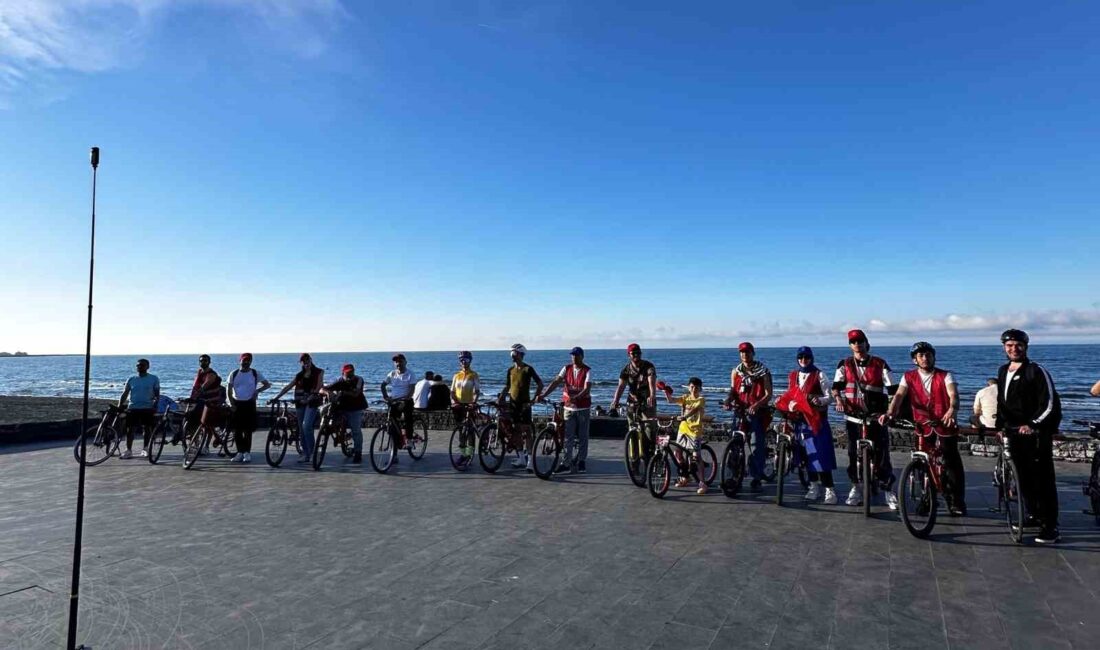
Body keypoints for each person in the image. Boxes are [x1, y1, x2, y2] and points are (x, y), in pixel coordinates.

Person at [882, 342, 966, 516]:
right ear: (915, 360)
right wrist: (890, 413)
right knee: (921, 463)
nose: (925, 358)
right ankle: (927, 498)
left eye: (928, 355)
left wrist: (952, 409)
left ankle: (956, 500)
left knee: (951, 462)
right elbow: (898, 395)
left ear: (933, 357)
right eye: (921, 356)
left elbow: (953, 395)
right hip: (923, 425)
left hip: (944, 424)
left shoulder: (945, 375)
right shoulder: (909, 377)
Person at [996, 329, 1062, 543]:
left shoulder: (1036, 370)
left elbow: (1049, 403)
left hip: (1035, 434)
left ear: (1026, 347)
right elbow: (1002, 401)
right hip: (1014, 433)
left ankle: (1050, 526)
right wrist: (1000, 425)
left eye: (1018, 345)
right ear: (1004, 347)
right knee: (1022, 479)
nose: (1014, 349)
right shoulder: (1003, 370)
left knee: (1042, 480)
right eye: (1009, 345)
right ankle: (1033, 514)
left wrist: (1033, 424)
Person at [832, 329, 898, 510]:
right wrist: (838, 399)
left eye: (860, 341)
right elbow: (836, 386)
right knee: (853, 453)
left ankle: (887, 489)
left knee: (882, 453)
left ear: (866, 343)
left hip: (876, 417)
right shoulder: (844, 364)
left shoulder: (880, 363)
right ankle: (856, 487)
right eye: (853, 342)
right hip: (853, 416)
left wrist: (890, 411)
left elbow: (893, 389)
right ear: (850, 345)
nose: (857, 345)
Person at [775, 347, 837, 504]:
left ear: (811, 358)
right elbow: (791, 393)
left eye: (806, 357)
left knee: (822, 455)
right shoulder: (794, 375)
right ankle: (813, 485)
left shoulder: (819, 374)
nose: (804, 359)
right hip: (800, 422)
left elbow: (829, 397)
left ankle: (829, 489)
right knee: (808, 456)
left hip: (816, 421)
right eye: (801, 357)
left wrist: (819, 401)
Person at [722, 342, 773, 491]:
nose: (745, 355)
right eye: (742, 352)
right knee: (734, 445)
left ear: (753, 353)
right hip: (740, 412)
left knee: (756, 446)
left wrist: (756, 405)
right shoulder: (736, 371)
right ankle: (735, 474)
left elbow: (768, 394)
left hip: (757, 413)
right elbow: (733, 390)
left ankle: (756, 477)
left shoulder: (763, 371)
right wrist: (728, 400)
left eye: (747, 352)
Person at [538, 346, 593, 474]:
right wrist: (544, 395)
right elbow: (556, 381)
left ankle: (581, 461)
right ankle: (566, 463)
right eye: (572, 355)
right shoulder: (566, 368)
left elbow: (587, 388)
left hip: (583, 408)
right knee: (568, 436)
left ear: (582, 357)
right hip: (568, 408)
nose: (574, 357)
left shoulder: (587, 370)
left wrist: (577, 397)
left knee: (583, 436)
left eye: (577, 355)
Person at [269, 353, 325, 463]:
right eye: (303, 362)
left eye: (307, 360)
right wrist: (275, 397)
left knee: (306, 425)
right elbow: (288, 387)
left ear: (310, 360)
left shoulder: (319, 372)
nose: (306, 363)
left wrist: (309, 398)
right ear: (301, 363)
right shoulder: (299, 375)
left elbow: (319, 387)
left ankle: (312, 451)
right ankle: (305, 453)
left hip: (312, 403)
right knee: (301, 429)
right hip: (300, 403)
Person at [498, 343, 544, 471]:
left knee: (527, 431)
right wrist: (501, 396)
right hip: (513, 405)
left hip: (525, 405)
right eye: (511, 353)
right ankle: (521, 458)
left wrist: (534, 398)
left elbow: (540, 384)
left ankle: (530, 460)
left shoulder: (528, 369)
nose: (512, 355)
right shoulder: (510, 370)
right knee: (516, 431)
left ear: (520, 354)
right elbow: (508, 386)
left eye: (514, 353)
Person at [661, 377, 708, 495]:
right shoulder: (685, 398)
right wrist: (665, 392)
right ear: (689, 387)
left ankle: (702, 482)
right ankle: (685, 477)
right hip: (683, 430)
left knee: (696, 456)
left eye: (696, 387)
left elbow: (696, 409)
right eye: (692, 387)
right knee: (678, 453)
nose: (694, 389)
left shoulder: (701, 399)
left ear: (700, 389)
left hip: (694, 431)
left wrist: (685, 416)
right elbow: (671, 400)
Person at [610, 343, 658, 454]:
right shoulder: (626, 370)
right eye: (633, 353)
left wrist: (652, 396)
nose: (636, 355)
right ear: (629, 355)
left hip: (647, 403)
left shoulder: (648, 366)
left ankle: (650, 458)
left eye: (638, 353)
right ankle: (633, 461)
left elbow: (652, 382)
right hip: (632, 403)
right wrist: (615, 402)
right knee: (632, 433)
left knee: (649, 432)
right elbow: (621, 386)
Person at [227, 353, 271, 463]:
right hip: (237, 403)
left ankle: (247, 453)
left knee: (247, 430)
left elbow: (267, 384)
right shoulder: (234, 373)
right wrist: (231, 404)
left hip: (249, 403)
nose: (246, 362)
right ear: (240, 361)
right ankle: (239, 452)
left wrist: (257, 391)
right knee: (237, 430)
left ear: (250, 362)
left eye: (248, 360)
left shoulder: (255, 373)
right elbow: (228, 390)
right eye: (244, 360)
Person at [117, 358, 160, 459]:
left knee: (147, 429)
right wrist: (120, 405)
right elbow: (125, 393)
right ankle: (128, 450)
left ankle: (145, 449)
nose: (140, 367)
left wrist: (155, 405)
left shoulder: (154, 378)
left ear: (148, 367)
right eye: (138, 365)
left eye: (142, 365)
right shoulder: (131, 379)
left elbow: (157, 394)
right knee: (130, 430)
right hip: (133, 407)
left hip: (147, 407)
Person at [324, 364, 367, 464]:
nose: (350, 374)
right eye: (347, 373)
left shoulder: (359, 379)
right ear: (343, 373)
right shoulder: (339, 381)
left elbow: (356, 393)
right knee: (330, 419)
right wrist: (327, 393)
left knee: (356, 429)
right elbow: (325, 388)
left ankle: (358, 453)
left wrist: (343, 392)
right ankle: (340, 435)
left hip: (356, 407)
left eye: (351, 372)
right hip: (342, 406)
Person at [450, 351, 482, 466]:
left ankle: (469, 454)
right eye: (462, 360)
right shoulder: (456, 375)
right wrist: (456, 402)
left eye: (466, 360)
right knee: (461, 432)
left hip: (469, 406)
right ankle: (463, 454)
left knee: (470, 432)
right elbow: (452, 392)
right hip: (459, 406)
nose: (464, 362)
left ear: (470, 361)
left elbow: (477, 392)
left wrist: (473, 402)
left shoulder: (473, 375)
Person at [381, 354, 416, 451]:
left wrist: (406, 398)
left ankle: (409, 439)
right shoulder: (392, 374)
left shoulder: (410, 374)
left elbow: (412, 389)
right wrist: (386, 397)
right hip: (394, 401)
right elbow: (383, 385)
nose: (398, 363)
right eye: (396, 362)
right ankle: (394, 453)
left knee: (408, 419)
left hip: (406, 400)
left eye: (400, 361)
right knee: (392, 426)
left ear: (405, 362)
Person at [185, 354, 217, 435]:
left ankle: (206, 445)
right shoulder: (200, 372)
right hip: (201, 399)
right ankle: (194, 439)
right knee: (190, 416)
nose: (203, 362)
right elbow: (195, 386)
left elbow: (203, 387)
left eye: (205, 361)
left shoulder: (211, 374)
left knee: (206, 422)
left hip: (211, 399)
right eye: (201, 361)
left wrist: (196, 395)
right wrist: (191, 397)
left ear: (209, 362)